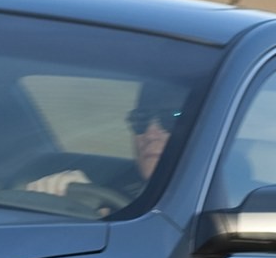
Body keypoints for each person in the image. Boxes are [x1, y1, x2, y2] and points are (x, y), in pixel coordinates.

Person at [24, 82, 185, 202]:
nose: (150, 134)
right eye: (140, 120)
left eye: (171, 119)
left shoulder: (204, 211)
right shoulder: (124, 187)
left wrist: (93, 204)